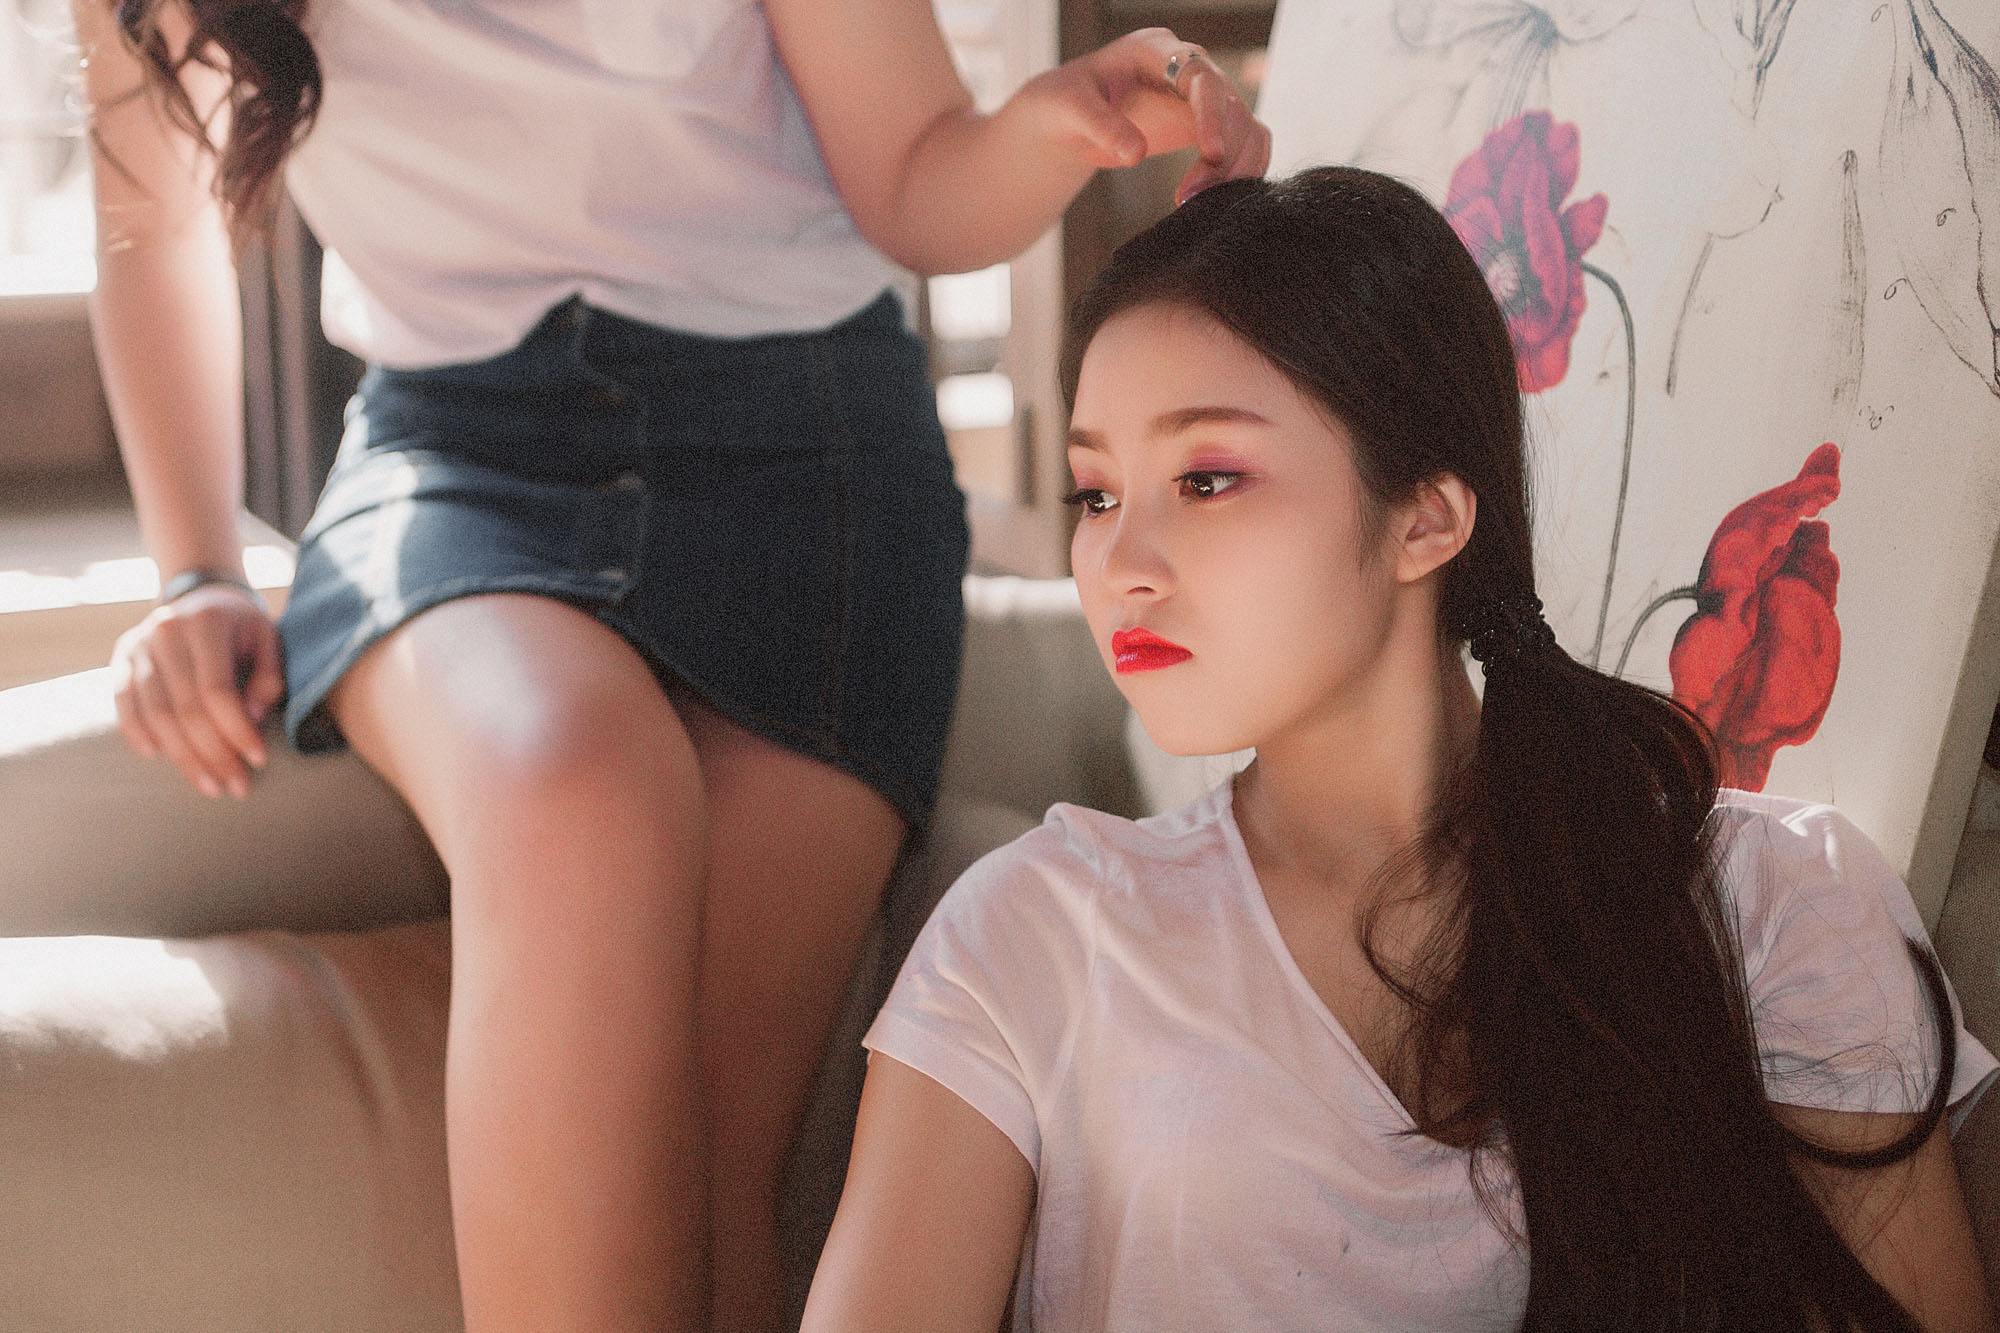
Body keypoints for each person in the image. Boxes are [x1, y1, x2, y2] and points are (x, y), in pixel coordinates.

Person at [68, 0, 1270, 1325]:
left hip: (807, 443)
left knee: (694, 1175)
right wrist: (195, 572)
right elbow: (152, 221)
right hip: (453, 449)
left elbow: (921, 175)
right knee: (577, 789)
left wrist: (1048, 130)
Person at [805, 167, 2000, 1331]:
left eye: (1206, 478)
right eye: (1096, 494)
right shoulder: (1027, 935)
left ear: (1426, 515)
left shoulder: (1773, 903)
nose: (1120, 565)